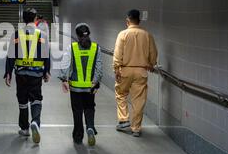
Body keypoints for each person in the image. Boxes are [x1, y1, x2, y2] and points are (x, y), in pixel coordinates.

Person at [4, 8, 51, 144]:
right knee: (36, 99)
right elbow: (46, 55)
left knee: (22, 101)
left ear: (24, 20)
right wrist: (47, 71)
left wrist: (8, 73)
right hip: (36, 73)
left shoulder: (17, 34)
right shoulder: (42, 35)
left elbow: (10, 55)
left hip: (21, 73)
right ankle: (35, 122)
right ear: (35, 18)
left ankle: (24, 128)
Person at [113, 9, 158, 137]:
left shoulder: (122, 34)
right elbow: (153, 53)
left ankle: (123, 120)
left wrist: (116, 68)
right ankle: (136, 128)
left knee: (121, 94)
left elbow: (117, 53)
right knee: (139, 100)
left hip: (125, 70)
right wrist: (151, 64)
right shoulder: (147, 35)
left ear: (128, 21)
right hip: (141, 71)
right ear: (139, 20)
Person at [59, 23, 103, 146]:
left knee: (77, 110)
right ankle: (90, 127)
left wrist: (64, 80)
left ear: (77, 36)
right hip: (90, 87)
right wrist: (96, 82)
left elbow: (65, 64)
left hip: (75, 88)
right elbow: (99, 68)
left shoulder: (71, 48)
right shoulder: (96, 48)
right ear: (89, 34)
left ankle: (78, 136)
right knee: (89, 107)